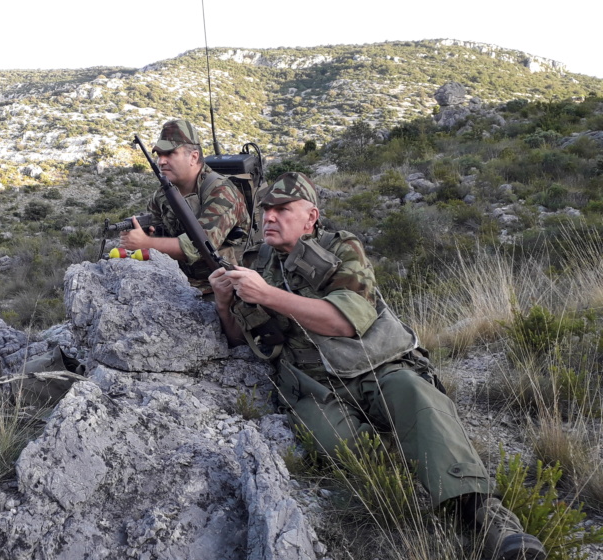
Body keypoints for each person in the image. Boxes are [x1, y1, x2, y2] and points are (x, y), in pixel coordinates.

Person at [208, 172, 546, 560]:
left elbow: (346, 322)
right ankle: (414, 453)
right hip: (312, 384)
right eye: (266, 209)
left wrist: (269, 295)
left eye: (282, 209)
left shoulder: (342, 249)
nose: (269, 217)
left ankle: (487, 519)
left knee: (419, 398)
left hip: (375, 365)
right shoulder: (256, 260)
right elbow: (239, 339)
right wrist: (223, 303)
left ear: (310, 216)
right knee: (340, 450)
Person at [120, 119, 250, 296]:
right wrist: (146, 234)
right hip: (180, 283)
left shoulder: (222, 192)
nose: (161, 161)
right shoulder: (162, 195)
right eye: (158, 155)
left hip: (226, 287)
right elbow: (158, 232)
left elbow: (200, 246)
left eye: (169, 154)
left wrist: (146, 243)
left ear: (194, 156)